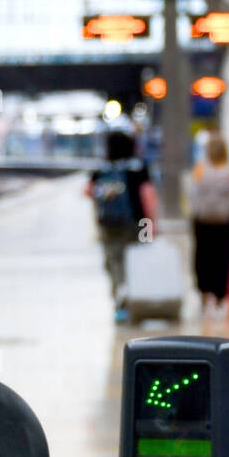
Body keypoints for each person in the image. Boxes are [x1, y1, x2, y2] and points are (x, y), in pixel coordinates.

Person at [86, 129, 157, 322]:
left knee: (114, 262)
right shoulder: (138, 167)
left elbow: (87, 191)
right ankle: (135, 300)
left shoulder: (102, 169)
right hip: (138, 223)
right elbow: (148, 197)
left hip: (108, 225)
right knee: (137, 260)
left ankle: (119, 304)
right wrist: (152, 226)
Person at [189, 133, 229, 316]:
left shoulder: (199, 170)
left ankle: (205, 296)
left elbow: (192, 195)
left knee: (203, 258)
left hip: (202, 222)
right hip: (224, 223)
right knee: (223, 259)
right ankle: (221, 297)